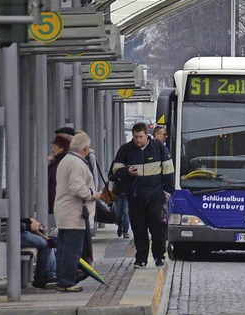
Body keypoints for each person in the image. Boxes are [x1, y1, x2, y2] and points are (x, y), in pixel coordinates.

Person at [112, 122, 175, 268]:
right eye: (135, 137)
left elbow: (168, 170)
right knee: (139, 229)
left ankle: (159, 257)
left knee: (157, 227)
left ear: (147, 134)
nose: (137, 140)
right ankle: (141, 259)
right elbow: (115, 169)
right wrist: (127, 172)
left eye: (140, 137)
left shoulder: (159, 148)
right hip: (135, 196)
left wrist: (167, 192)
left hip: (155, 196)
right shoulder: (126, 149)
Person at [54, 130, 101, 292]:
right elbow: (77, 188)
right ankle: (67, 281)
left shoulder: (66, 160)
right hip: (74, 214)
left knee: (63, 248)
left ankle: (61, 278)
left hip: (65, 212)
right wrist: (94, 195)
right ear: (85, 148)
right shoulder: (77, 163)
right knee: (72, 250)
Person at [21, 217, 57, 289]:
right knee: (46, 243)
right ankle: (46, 276)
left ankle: (46, 276)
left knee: (48, 242)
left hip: (14, 231)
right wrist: (28, 226)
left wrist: (28, 220)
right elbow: (7, 225)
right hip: (8, 234)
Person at [47, 133, 71, 223]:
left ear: (61, 148)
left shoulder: (62, 161)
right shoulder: (56, 161)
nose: (52, 149)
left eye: (54, 147)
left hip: (62, 202)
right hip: (60, 202)